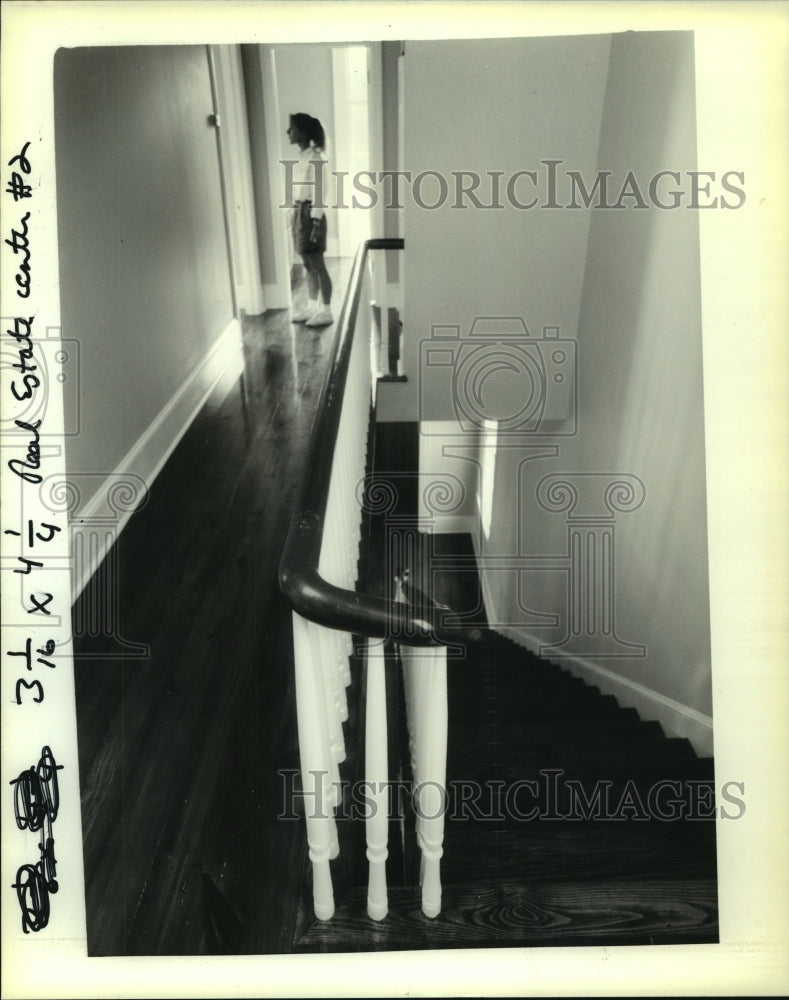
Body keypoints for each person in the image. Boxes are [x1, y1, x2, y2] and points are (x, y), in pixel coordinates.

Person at [287, 113, 333, 327]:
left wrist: (315, 222)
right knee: (306, 264)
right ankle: (312, 307)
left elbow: (319, 192)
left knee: (317, 264)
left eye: (292, 128)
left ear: (303, 132)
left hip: (311, 215)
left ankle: (326, 311)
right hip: (299, 212)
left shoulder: (316, 159)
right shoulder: (302, 157)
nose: (289, 132)